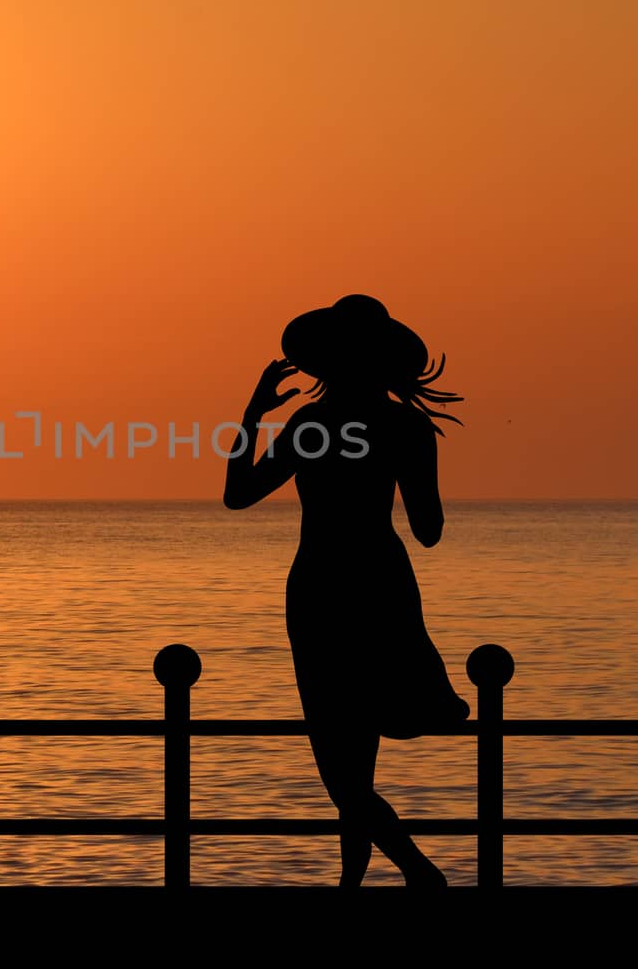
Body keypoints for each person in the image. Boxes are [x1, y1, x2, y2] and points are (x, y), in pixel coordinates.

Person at [222, 293, 469, 887]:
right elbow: (429, 532)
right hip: (382, 582)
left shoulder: (311, 424)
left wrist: (252, 416)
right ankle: (354, 885)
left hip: (322, 586)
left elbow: (239, 494)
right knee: (353, 760)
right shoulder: (407, 427)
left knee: (341, 762)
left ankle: (417, 873)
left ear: (326, 360)